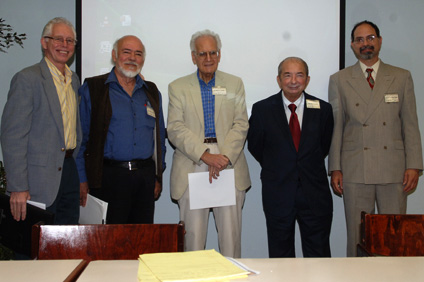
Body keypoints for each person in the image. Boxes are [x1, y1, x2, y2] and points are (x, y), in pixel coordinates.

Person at [328, 20, 423, 257]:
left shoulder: (401, 77)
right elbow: (337, 127)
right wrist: (335, 168)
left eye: (370, 38)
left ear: (379, 41)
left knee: (395, 234)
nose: (365, 44)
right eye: (359, 40)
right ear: (352, 45)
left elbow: (410, 124)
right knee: (358, 236)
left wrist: (414, 165)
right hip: (355, 168)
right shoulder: (339, 79)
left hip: (394, 169)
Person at [167, 29, 251, 258]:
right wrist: (206, 155)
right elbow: (174, 128)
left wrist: (222, 157)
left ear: (219, 54)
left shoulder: (234, 84)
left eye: (213, 52)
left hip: (228, 164)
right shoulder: (177, 87)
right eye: (202, 53)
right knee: (192, 241)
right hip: (192, 163)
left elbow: (241, 123)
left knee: (230, 240)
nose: (208, 58)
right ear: (193, 57)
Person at [248, 57, 334, 258]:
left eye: (299, 74)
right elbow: (256, 146)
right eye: (287, 75)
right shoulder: (262, 109)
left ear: (308, 79)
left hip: (315, 195)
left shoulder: (323, 109)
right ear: (279, 79)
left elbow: (324, 146)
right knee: (280, 258)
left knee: (319, 257)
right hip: (278, 194)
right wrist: (279, 164)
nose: (293, 80)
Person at [76, 35, 166, 224]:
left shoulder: (151, 92)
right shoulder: (93, 88)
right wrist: (82, 180)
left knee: (142, 240)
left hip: (144, 178)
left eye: (138, 54)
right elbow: (81, 139)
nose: (132, 58)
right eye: (127, 52)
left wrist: (157, 176)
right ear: (114, 55)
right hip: (108, 178)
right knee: (109, 243)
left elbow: (159, 138)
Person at [1, 17, 82, 224]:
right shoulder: (27, 79)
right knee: (30, 249)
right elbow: (13, 137)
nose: (65, 45)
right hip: (38, 179)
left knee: (66, 245)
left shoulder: (73, 80)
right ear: (44, 42)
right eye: (58, 39)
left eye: (70, 41)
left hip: (69, 171)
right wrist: (18, 187)